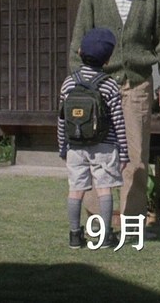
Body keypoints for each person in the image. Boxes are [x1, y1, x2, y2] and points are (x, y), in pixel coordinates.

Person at [69, 0, 160, 226]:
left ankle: (133, 222)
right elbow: (78, 39)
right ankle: (98, 221)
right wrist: (80, 82)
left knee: (136, 157)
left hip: (137, 84)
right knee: (94, 152)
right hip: (98, 84)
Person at [58, 28, 129, 249]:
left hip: (75, 145)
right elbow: (118, 122)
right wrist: (123, 152)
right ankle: (106, 236)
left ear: (80, 52)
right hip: (104, 145)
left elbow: (61, 119)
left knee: (76, 189)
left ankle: (74, 235)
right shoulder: (109, 85)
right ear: (107, 60)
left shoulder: (69, 83)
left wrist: (62, 146)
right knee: (104, 188)